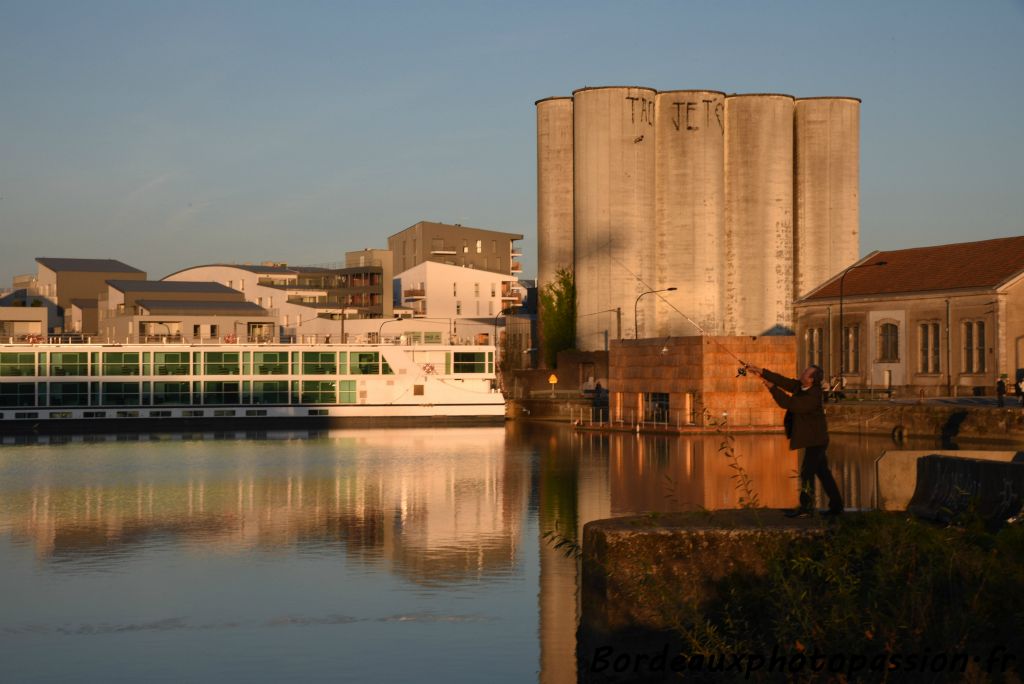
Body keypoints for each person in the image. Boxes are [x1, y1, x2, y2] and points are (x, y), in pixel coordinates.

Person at [745, 363, 844, 518]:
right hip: (814, 440)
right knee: (823, 473)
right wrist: (761, 371)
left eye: (806, 372)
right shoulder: (801, 387)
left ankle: (807, 507)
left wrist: (772, 388)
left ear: (811, 380)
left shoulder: (813, 396)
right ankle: (836, 506)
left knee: (806, 473)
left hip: (817, 441)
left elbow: (790, 404)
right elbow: (784, 381)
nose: (803, 373)